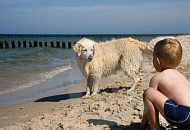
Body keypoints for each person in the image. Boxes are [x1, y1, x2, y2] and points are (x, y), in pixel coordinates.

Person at [139, 38, 190, 130]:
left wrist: (142, 127)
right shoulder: (181, 76)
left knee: (149, 93)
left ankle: (155, 127)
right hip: (187, 115)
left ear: (157, 61)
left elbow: (149, 106)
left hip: (184, 117)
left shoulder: (157, 78)